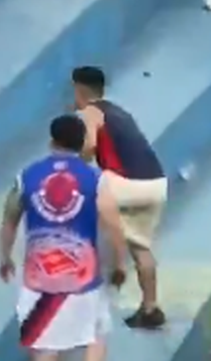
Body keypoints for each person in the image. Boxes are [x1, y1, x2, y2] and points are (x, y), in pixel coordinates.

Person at [0, 114, 131, 361]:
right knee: (97, 332)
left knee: (44, 345)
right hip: (83, 275)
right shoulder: (95, 178)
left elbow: (9, 220)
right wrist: (119, 264)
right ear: (83, 143)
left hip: (39, 277)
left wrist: (3, 256)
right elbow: (113, 224)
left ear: (51, 140)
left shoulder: (26, 176)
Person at [71, 67, 167, 329]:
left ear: (78, 90)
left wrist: (73, 164)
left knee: (71, 199)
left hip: (126, 183)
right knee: (141, 247)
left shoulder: (89, 112)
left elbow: (89, 145)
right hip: (156, 183)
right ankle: (150, 307)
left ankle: (80, 291)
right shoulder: (120, 112)